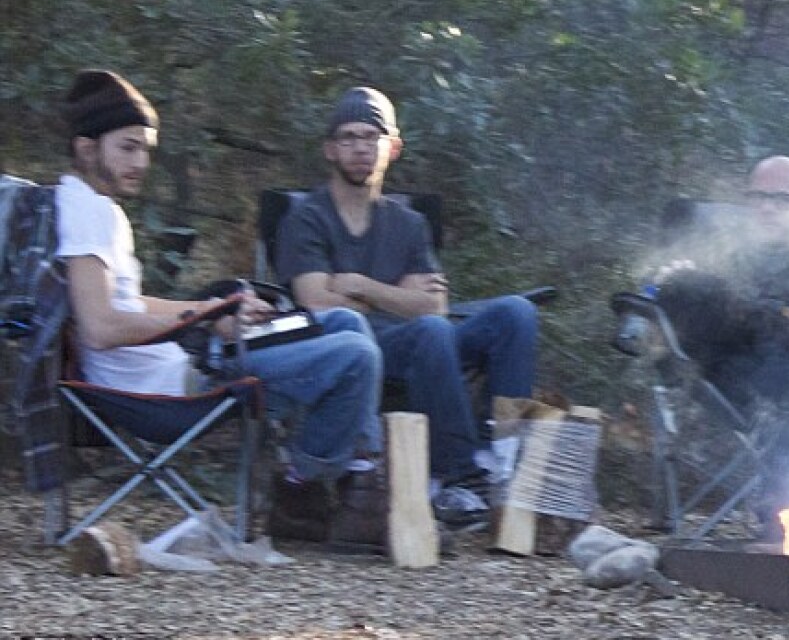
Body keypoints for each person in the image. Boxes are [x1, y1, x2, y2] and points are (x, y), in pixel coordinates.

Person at [55, 70, 385, 548]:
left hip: (182, 360)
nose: (141, 162)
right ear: (87, 149)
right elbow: (101, 328)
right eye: (128, 147)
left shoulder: (84, 203)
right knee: (357, 356)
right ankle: (306, 489)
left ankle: (349, 483)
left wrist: (210, 308)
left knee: (344, 320)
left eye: (145, 148)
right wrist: (201, 324)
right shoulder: (89, 214)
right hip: (170, 387)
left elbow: (125, 302)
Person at [276, 86, 539, 526]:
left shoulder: (409, 222)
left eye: (372, 137)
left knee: (516, 313)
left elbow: (434, 304)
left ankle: (503, 457)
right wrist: (401, 295)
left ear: (392, 148)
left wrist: (361, 285)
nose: (361, 147)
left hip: (418, 342)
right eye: (348, 137)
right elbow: (317, 300)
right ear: (330, 149)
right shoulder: (307, 217)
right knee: (430, 332)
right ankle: (457, 477)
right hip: (352, 349)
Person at [652, 155, 789, 536]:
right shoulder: (729, 255)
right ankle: (787, 516)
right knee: (689, 290)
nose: (766, 208)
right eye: (758, 197)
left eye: (782, 199)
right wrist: (674, 287)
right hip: (731, 385)